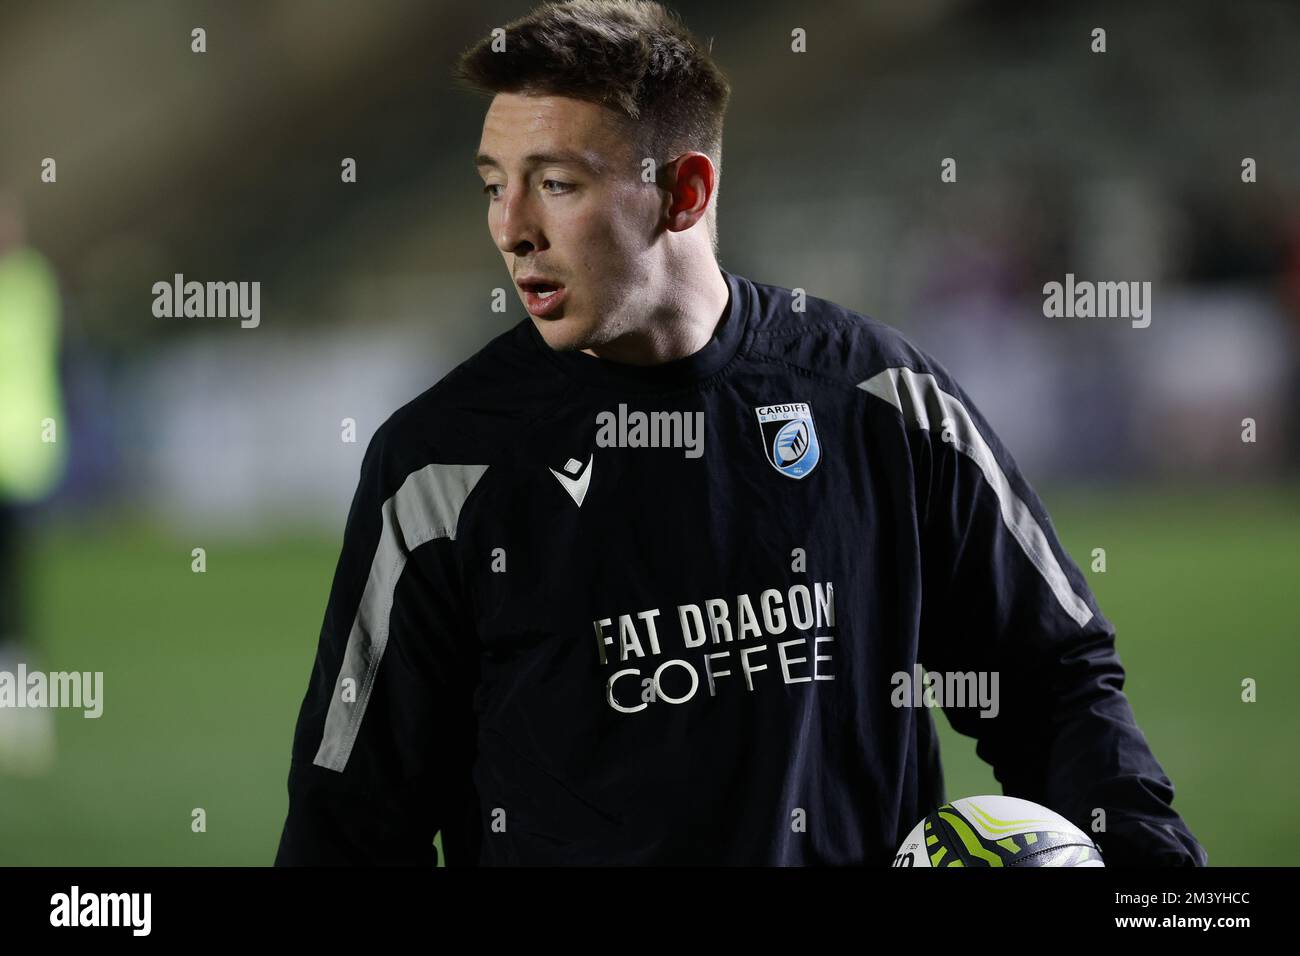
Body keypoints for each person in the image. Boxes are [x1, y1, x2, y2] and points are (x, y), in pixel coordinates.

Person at [275, 0, 1206, 866]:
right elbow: (352, 815)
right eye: (493, 186)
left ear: (684, 192)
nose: (510, 229)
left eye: (554, 184)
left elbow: (1053, 682)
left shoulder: (880, 395)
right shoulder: (440, 464)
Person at [0, 189, 66, 776]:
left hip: (15, 458)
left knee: (12, 593)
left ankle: (19, 713)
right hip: (20, 455)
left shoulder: (26, 286)